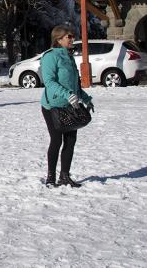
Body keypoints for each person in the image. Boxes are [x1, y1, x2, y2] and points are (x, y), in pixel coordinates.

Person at [40, 25, 94, 188]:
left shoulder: (69, 56)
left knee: (70, 141)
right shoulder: (50, 56)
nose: (72, 39)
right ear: (58, 39)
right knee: (56, 140)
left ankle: (65, 176)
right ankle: (51, 177)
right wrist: (67, 95)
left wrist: (86, 99)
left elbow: (74, 84)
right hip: (53, 105)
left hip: (71, 105)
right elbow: (49, 82)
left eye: (72, 36)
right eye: (69, 36)